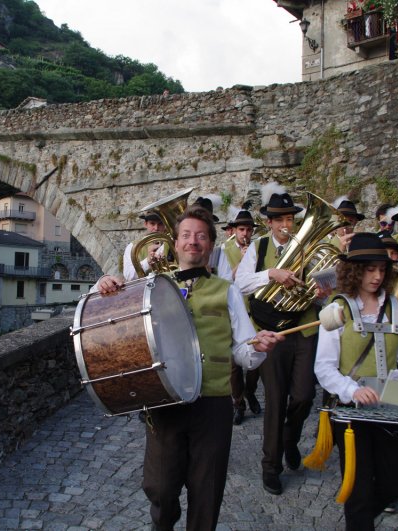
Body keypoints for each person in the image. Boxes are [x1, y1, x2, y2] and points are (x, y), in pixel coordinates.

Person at [96, 206, 283, 530]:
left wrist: (260, 349)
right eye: (186, 235)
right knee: (160, 487)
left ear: (210, 245)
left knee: (206, 493)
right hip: (166, 400)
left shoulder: (228, 292)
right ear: (176, 242)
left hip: (213, 404)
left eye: (200, 236)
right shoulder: (152, 285)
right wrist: (104, 284)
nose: (193, 241)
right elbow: (111, 320)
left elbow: (242, 349)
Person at [313, 232, 398, 530]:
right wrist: (353, 390)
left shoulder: (394, 306)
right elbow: (323, 368)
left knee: (392, 483)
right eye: (370, 269)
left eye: (382, 269)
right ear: (355, 270)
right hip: (351, 413)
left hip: (388, 410)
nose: (377, 276)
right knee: (359, 489)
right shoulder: (335, 309)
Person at [235, 192, 331, 495]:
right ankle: (270, 466)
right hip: (271, 334)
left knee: (303, 395)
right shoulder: (259, 247)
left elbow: (327, 288)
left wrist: (321, 292)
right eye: (280, 220)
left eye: (290, 219)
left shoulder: (310, 248)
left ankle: (290, 438)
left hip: (303, 329)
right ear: (270, 222)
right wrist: (272, 274)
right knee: (275, 402)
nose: (286, 225)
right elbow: (240, 283)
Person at [216, 210, 261, 425]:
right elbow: (224, 282)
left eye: (249, 230)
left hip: (254, 312)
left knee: (255, 364)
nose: (245, 234)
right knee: (234, 365)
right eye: (242, 229)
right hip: (234, 311)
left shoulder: (257, 249)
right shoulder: (224, 251)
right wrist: (241, 264)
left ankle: (250, 392)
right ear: (234, 231)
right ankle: (239, 403)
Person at [122, 210, 166, 281]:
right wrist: (147, 261)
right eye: (152, 224)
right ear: (145, 224)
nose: (156, 228)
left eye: (160, 224)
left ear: (165, 225)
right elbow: (128, 275)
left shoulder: (172, 242)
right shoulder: (133, 246)